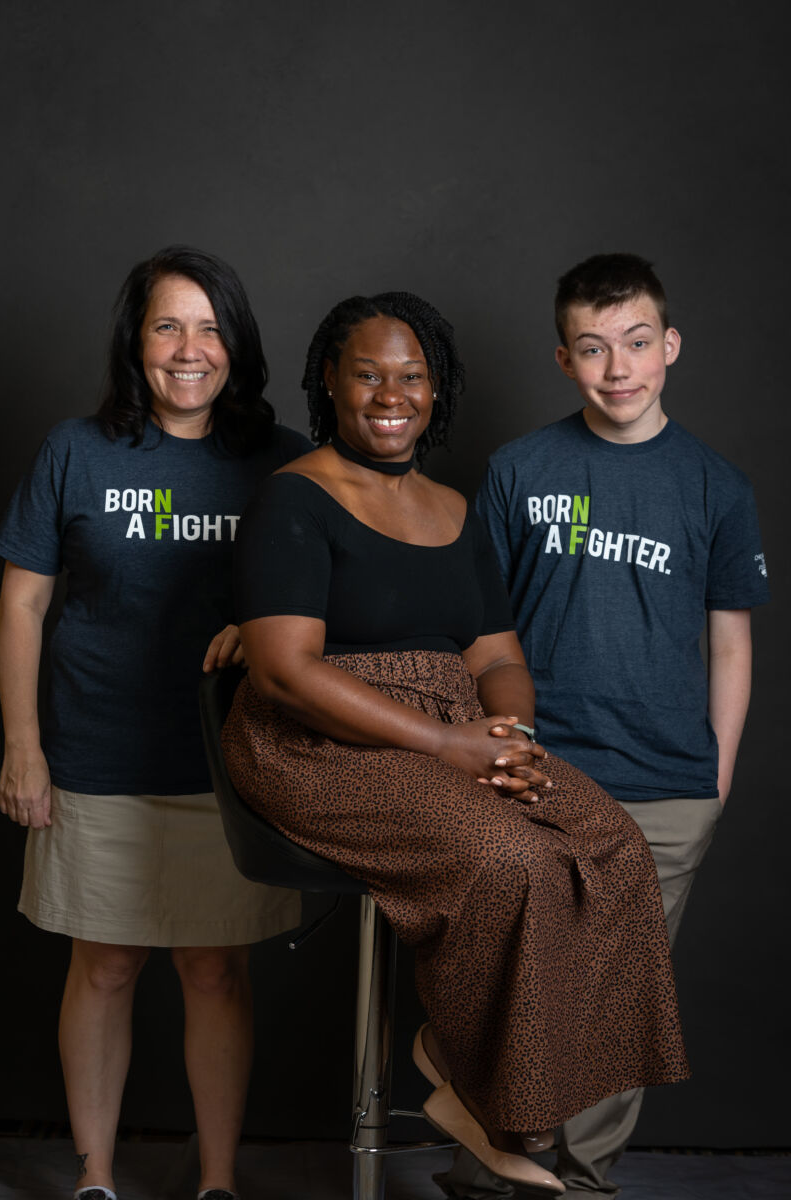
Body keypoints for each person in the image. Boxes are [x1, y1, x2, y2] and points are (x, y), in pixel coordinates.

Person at [221, 291, 691, 1196]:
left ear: (437, 390)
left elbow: (496, 654)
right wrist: (448, 747)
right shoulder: (294, 497)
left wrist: (505, 734)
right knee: (509, 856)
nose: (391, 394)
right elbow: (283, 672)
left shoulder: (451, 506)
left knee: (612, 847)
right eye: (368, 374)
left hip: (457, 730)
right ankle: (479, 1088)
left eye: (413, 376)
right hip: (321, 741)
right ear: (331, 379)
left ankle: (486, 1091)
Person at [440, 254, 770, 1200]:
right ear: (562, 357)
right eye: (593, 348)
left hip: (668, 781)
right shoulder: (518, 470)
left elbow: (732, 647)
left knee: (614, 1000)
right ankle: (496, 1164)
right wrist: (491, 750)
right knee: (524, 981)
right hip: (541, 769)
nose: (617, 368)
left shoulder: (715, 486)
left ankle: (580, 1182)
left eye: (635, 343)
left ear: (669, 346)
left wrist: (718, 778)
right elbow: (478, 626)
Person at [0, 245, 311, 1200]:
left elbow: (335, 594)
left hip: (227, 766)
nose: (189, 348)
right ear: (137, 341)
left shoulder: (281, 460)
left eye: (211, 327)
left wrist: (266, 630)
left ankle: (216, 1182)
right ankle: (95, 1176)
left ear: (237, 346)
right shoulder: (75, 451)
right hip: (95, 755)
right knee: (107, 966)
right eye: (168, 324)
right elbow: (20, 606)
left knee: (214, 972)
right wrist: (22, 746)